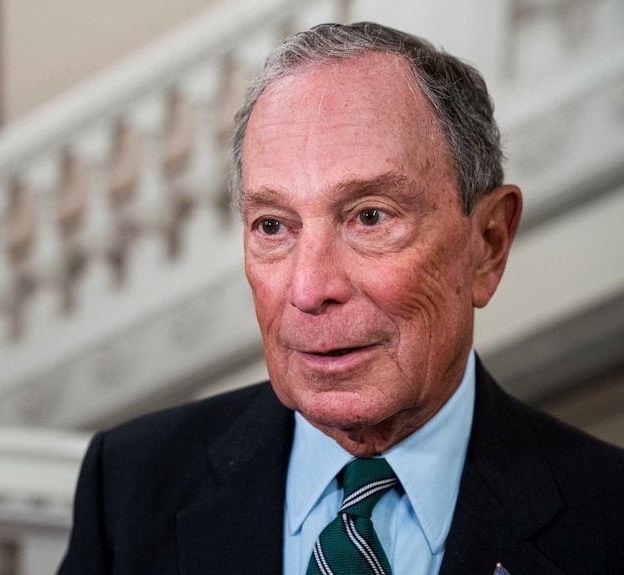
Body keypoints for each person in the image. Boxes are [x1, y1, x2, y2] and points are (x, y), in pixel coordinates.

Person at [58, 22, 624, 575]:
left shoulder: (608, 519)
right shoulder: (130, 485)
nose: (309, 290)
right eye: (274, 225)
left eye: (369, 217)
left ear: (489, 244)